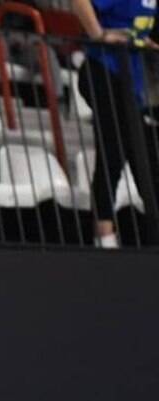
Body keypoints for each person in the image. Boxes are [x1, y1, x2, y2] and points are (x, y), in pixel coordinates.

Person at [72, 0, 157, 248]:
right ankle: (104, 236)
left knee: (145, 156)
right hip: (103, 72)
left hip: (130, 81)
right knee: (113, 150)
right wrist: (98, 34)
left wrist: (144, 43)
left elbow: (134, 30)